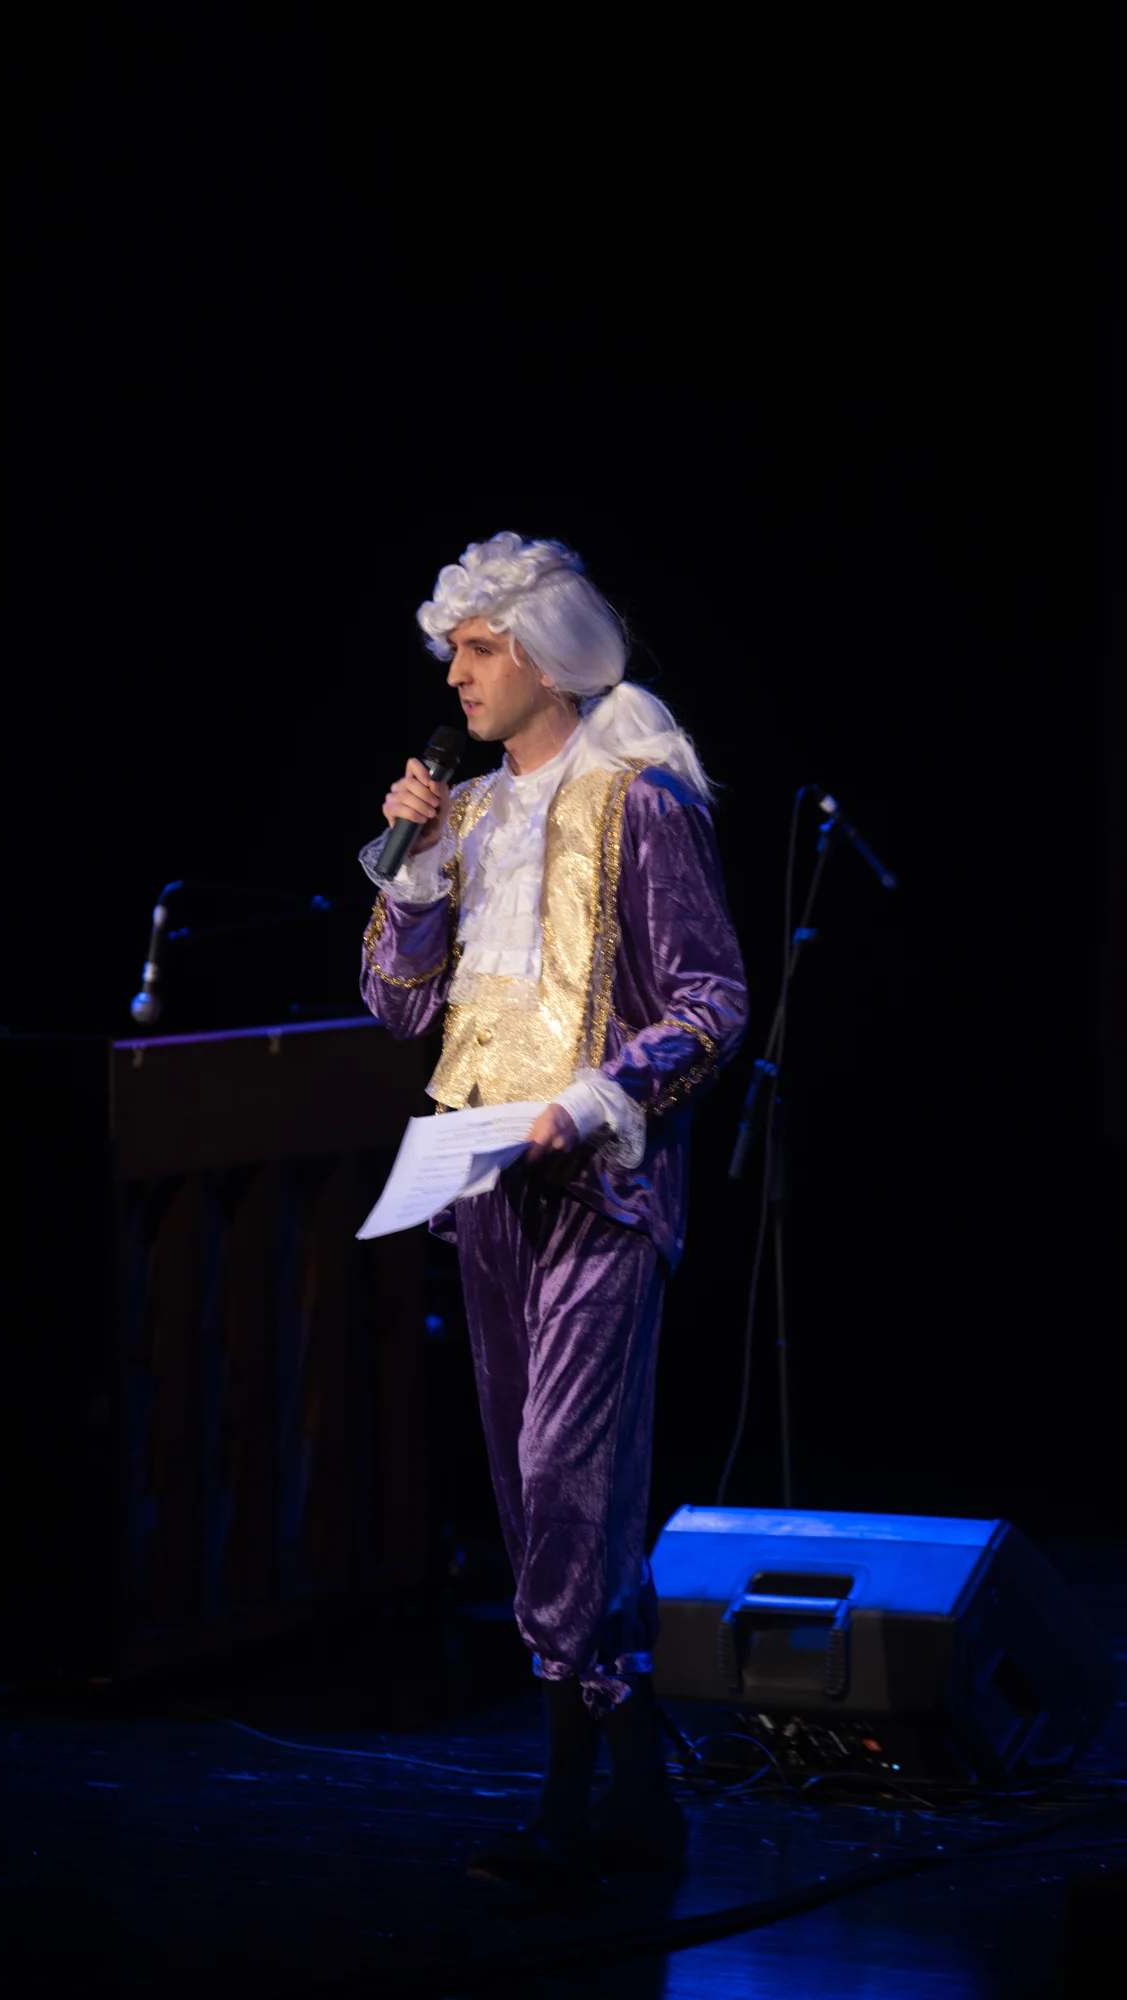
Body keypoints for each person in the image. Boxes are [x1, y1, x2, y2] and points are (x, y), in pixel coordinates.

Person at [358, 532, 748, 1888]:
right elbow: (394, 1004)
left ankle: (577, 1797)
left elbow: (710, 1005)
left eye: (477, 650)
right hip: (483, 1188)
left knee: (565, 1477)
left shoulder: (639, 802)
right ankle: (629, 1787)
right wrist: (411, 868)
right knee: (532, 1498)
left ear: (541, 656)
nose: (456, 676)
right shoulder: (466, 815)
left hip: (599, 1184)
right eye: (453, 653)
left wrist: (584, 1106)